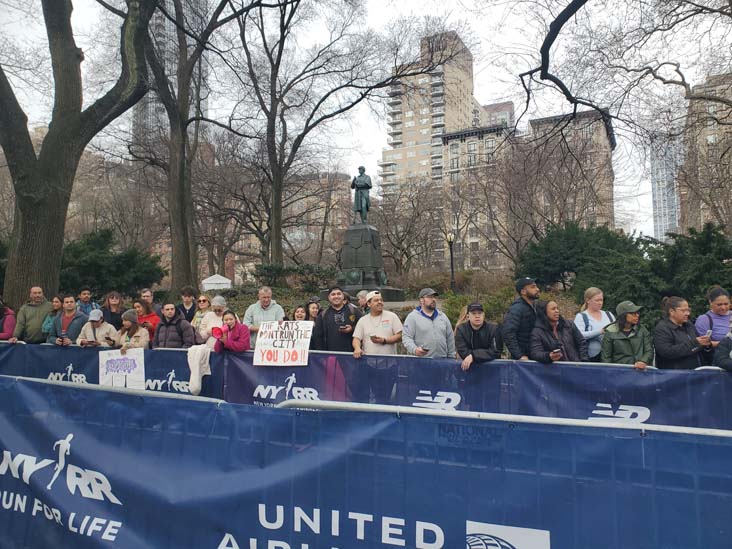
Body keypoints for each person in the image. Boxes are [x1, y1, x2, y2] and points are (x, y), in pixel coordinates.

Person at [654, 296, 712, 369]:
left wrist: (706, 346)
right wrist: (695, 343)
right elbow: (667, 352)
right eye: (683, 311)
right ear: (671, 311)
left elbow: (697, 349)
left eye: (688, 310)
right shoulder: (662, 328)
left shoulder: (690, 325)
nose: (687, 313)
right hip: (674, 376)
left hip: (696, 374)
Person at [402, 288, 455, 358]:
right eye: (430, 297)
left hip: (442, 361)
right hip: (421, 362)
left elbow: (450, 338)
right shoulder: (412, 317)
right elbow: (406, 337)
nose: (433, 299)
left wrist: (451, 356)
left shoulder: (442, 316)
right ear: (421, 300)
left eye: (434, 297)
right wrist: (414, 349)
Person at [600, 301, 653, 369]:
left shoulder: (642, 330)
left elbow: (649, 350)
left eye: (638, 313)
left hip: (640, 372)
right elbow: (606, 358)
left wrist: (643, 361)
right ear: (623, 315)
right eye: (633, 313)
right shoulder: (610, 332)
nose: (637, 315)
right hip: (619, 372)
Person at [353, 291, 403, 357]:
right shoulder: (363, 320)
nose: (380, 302)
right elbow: (356, 338)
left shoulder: (392, 316)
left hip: (390, 362)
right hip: (369, 362)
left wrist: (384, 340)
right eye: (376, 300)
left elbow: (401, 335)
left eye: (381, 300)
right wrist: (357, 348)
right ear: (368, 304)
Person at [312, 286, 363, 352]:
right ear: (329, 297)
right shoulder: (323, 315)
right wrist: (322, 354)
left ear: (343, 296)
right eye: (333, 294)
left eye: (339, 294)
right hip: (330, 355)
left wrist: (352, 329)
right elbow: (317, 337)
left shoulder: (354, 311)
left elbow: (364, 327)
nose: (336, 296)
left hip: (351, 355)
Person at [455, 302, 503, 370]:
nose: (477, 316)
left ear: (483, 315)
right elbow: (463, 352)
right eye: (474, 313)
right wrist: (481, 355)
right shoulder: (461, 329)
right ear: (468, 316)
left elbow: (496, 351)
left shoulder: (494, 328)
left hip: (491, 370)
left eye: (480, 313)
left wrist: (473, 356)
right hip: (469, 369)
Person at [573, 287, 615, 362]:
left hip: (610, 356)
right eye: (597, 300)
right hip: (591, 358)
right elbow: (578, 335)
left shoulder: (609, 315)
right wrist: (599, 332)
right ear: (588, 300)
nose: (600, 303)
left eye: (601, 300)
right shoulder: (581, 317)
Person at [502, 277, 541, 360]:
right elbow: (508, 333)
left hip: (536, 355)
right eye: (533, 287)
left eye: (536, 286)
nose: (537, 289)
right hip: (523, 361)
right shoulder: (516, 309)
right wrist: (519, 355)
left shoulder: (537, 306)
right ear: (523, 291)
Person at [694, 286, 731, 353]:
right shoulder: (704, 320)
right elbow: (703, 344)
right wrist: (726, 344)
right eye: (719, 305)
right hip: (719, 359)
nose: (723, 307)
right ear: (710, 302)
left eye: (726, 304)